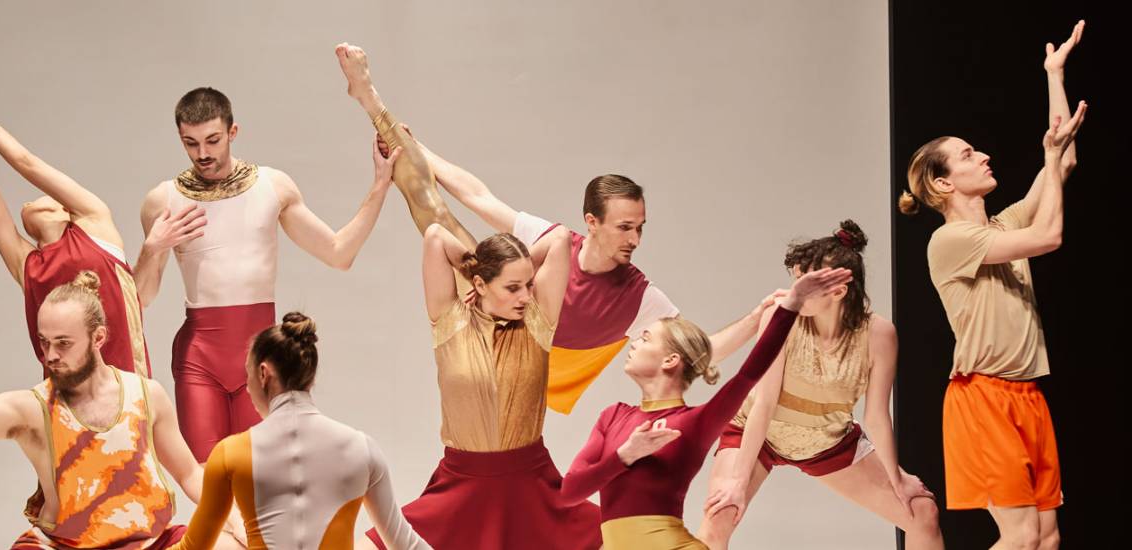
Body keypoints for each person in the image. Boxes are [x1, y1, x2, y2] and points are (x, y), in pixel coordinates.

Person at [334, 45, 770, 416]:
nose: (634, 240)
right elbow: (478, 196)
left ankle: (386, 124)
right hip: (502, 317)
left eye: (639, 228)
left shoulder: (641, 298)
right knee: (433, 212)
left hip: (530, 360)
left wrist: (756, 320)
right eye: (623, 227)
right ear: (592, 222)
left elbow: (698, 351)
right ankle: (371, 102)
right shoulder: (557, 241)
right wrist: (418, 148)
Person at [897, 20, 1087, 550]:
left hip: (1027, 394)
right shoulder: (951, 240)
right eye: (966, 155)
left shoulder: (1002, 224)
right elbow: (1049, 235)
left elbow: (1063, 157)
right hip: (983, 397)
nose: (983, 156)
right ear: (942, 183)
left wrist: (1054, 74)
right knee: (1021, 536)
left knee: (1047, 538)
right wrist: (1049, 158)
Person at [0, 272, 243, 549]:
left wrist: (235, 521)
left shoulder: (146, 395)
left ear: (98, 339)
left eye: (63, 344)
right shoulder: (32, 410)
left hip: (149, 543)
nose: (50, 355)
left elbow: (189, 474)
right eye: (44, 342)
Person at [135, 86, 399, 461]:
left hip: (262, 357)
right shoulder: (163, 200)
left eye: (212, 140)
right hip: (200, 357)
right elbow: (140, 299)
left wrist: (380, 184)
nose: (203, 153)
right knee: (208, 482)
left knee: (262, 480)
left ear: (233, 132)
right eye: (190, 144)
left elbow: (340, 253)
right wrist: (151, 248)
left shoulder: (272, 187)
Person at [557, 266, 851, 549]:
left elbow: (750, 372)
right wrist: (625, 455)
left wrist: (793, 303)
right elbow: (569, 492)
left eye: (645, 338)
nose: (634, 344)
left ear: (670, 360)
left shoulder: (694, 422)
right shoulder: (613, 416)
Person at [699, 222, 942, 549]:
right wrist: (738, 484)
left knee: (922, 513)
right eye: (796, 280)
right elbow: (764, 403)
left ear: (838, 290)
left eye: (807, 284)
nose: (795, 290)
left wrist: (897, 477)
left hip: (827, 441)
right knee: (720, 514)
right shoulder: (782, 315)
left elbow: (877, 416)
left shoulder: (879, 334)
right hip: (758, 432)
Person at [362, 225, 598, 549]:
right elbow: (435, 236)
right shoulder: (451, 322)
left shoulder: (537, 321)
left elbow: (559, 240)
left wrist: (513, 266)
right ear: (479, 284)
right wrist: (475, 265)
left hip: (532, 484)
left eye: (529, 284)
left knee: (617, 538)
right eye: (512, 287)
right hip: (461, 483)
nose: (526, 296)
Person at [0, 80, 176, 378]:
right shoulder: (28, 265)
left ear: (65, 211)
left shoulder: (95, 224)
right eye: (27, 204)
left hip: (127, 391)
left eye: (43, 198)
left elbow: (25, 163)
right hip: (65, 399)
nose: (29, 201)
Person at [169, 312, 430, 550]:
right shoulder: (362, 448)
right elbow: (405, 543)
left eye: (247, 376)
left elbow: (192, 548)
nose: (247, 389)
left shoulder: (230, 454)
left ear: (263, 374)